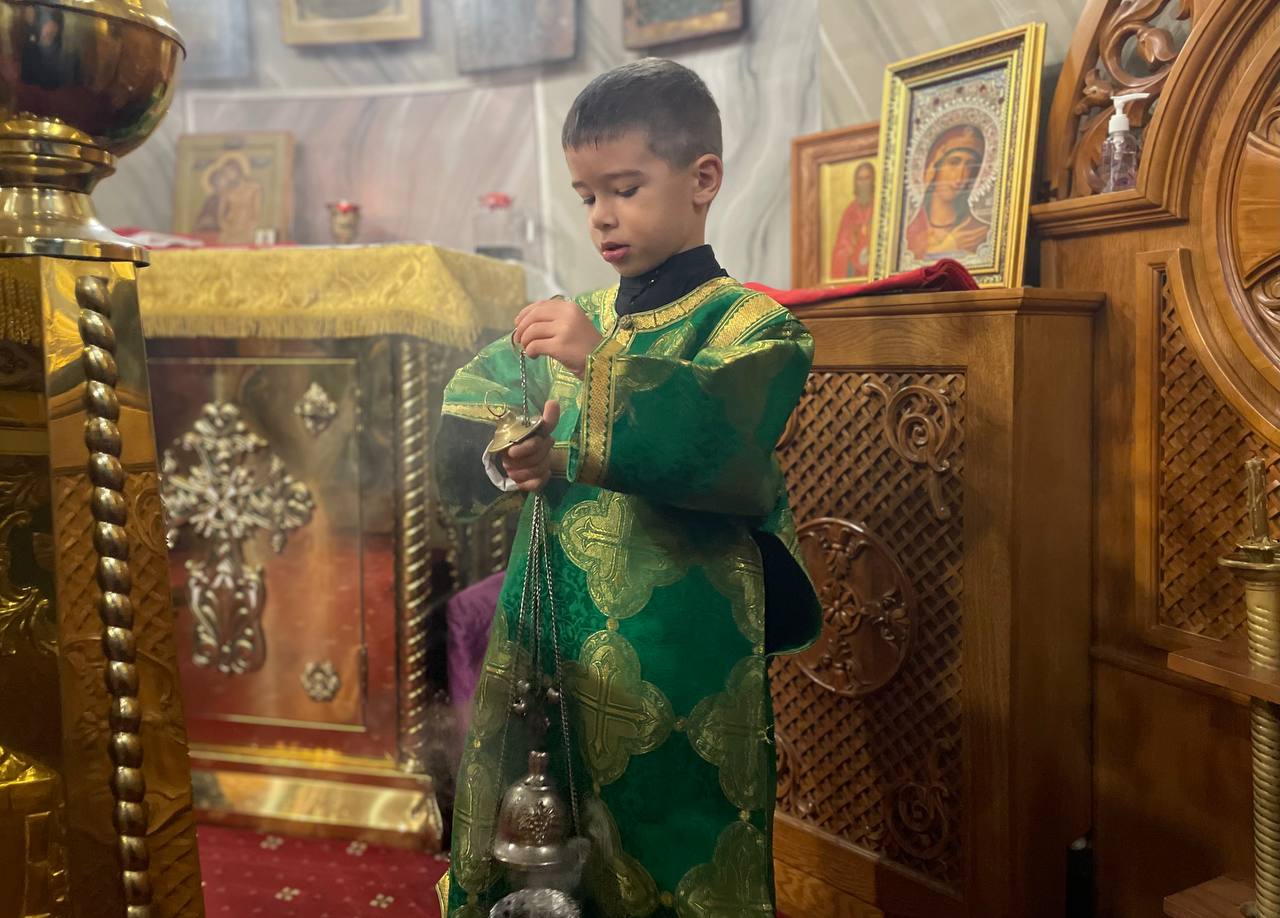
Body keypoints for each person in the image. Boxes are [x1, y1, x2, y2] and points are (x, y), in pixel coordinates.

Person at [434, 58, 821, 917]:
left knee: (667, 840)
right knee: (543, 834)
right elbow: (479, 399)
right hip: (549, 636)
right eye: (586, 196)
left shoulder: (754, 327)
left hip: (679, 651)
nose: (602, 216)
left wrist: (598, 362)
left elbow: (726, 445)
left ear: (703, 179)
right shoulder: (573, 316)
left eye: (625, 188)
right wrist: (515, 452)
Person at [904, 123, 990, 262]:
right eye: (953, 163)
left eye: (969, 166)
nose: (960, 178)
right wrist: (947, 247)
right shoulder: (910, 231)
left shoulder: (976, 231)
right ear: (933, 167)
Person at [829, 160, 875, 280]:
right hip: (854, 272)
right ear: (855, 183)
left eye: (867, 178)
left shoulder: (880, 207)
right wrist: (848, 252)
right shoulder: (850, 212)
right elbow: (841, 247)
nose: (863, 183)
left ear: (873, 180)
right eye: (860, 179)